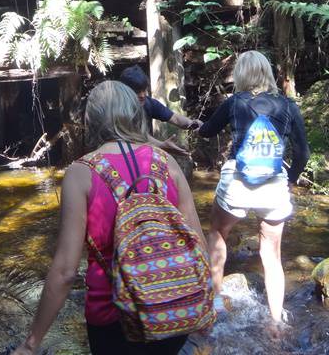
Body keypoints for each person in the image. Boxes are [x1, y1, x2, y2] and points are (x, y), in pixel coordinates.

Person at [11, 81, 208, 355]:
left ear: (90, 120)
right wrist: (206, 299)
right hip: (173, 304)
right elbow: (196, 240)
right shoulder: (167, 162)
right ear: (135, 114)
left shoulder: (80, 173)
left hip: (113, 318)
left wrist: (31, 343)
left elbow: (66, 271)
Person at [190, 50, 310, 326]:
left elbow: (207, 131)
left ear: (241, 74)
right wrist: (291, 178)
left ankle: (214, 306)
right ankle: (276, 322)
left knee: (218, 233)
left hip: (237, 183)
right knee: (271, 255)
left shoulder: (235, 103)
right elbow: (303, 153)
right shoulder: (288, 106)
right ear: (267, 73)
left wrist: (198, 125)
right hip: (274, 185)